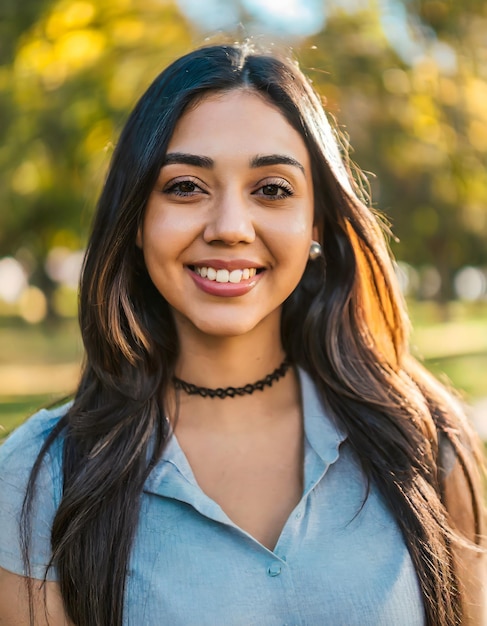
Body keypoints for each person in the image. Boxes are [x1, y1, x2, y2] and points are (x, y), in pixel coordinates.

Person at [0, 41, 484, 626]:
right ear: (135, 219)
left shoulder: (427, 441)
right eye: (185, 187)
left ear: (317, 223)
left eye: (273, 189)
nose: (230, 228)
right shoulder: (36, 476)